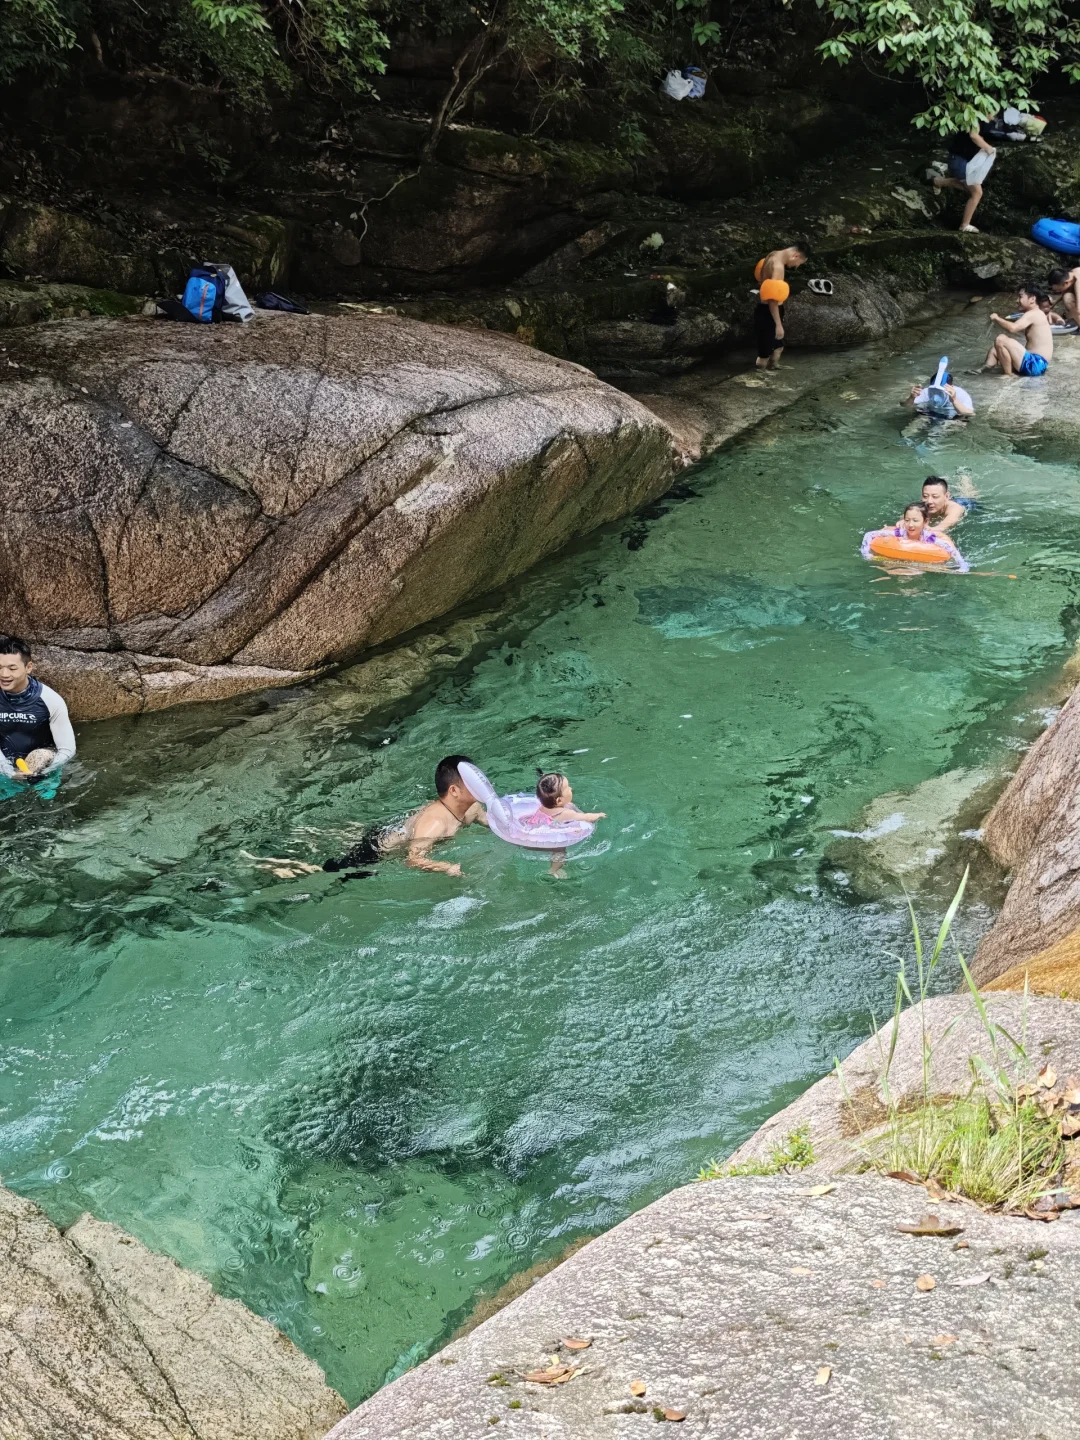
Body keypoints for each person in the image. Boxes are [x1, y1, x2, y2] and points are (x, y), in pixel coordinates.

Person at [248, 754, 489, 881]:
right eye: (471, 781)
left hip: (390, 832)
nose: (479, 783)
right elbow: (413, 860)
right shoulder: (435, 824)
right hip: (376, 851)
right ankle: (271, 864)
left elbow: (495, 822)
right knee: (325, 872)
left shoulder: (472, 807)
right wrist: (446, 867)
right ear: (454, 791)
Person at [0, 635, 76, 786]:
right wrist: (9, 773)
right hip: (3, 768)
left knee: (39, 756)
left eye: (12, 668)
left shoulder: (51, 700)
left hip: (42, 768)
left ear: (28, 667)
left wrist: (40, 772)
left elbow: (67, 750)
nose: (4, 674)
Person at [521, 770, 606, 878]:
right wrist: (598, 815)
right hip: (544, 840)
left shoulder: (543, 806)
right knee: (560, 850)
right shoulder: (566, 813)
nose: (571, 789)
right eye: (568, 788)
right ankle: (553, 870)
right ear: (559, 801)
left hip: (531, 834)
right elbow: (586, 818)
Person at [928, 123, 997, 232]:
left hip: (961, 160)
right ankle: (964, 225)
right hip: (958, 161)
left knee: (966, 185)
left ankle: (937, 182)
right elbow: (973, 135)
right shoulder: (974, 117)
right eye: (992, 113)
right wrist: (988, 148)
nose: (993, 117)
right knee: (977, 192)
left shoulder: (980, 120)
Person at [752, 241, 809, 371]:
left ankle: (774, 366)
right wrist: (778, 324)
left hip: (769, 310)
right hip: (768, 312)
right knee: (764, 352)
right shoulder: (778, 267)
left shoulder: (773, 254)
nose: (796, 266)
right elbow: (772, 300)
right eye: (799, 263)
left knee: (778, 347)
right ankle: (761, 374)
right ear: (796, 255)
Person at [862, 503, 969, 570]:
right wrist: (866, 553)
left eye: (915, 521)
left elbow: (949, 548)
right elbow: (869, 535)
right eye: (907, 520)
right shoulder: (899, 533)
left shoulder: (928, 538)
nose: (910, 525)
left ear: (925, 522)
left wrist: (962, 565)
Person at [984, 286, 1053, 376]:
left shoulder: (1033, 314)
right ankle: (983, 370)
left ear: (1032, 299)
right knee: (994, 350)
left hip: (1035, 365)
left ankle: (1008, 375)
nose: (1017, 300)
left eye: (1020, 297)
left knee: (1000, 339)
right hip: (1034, 364)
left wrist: (997, 318)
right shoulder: (1035, 314)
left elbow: (1013, 328)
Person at [905, 374, 974, 419]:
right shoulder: (927, 391)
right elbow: (905, 406)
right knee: (913, 428)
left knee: (961, 422)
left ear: (951, 387)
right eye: (933, 390)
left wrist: (954, 400)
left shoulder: (961, 394)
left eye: (940, 391)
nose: (935, 395)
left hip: (952, 417)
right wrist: (911, 397)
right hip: (930, 413)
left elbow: (970, 413)